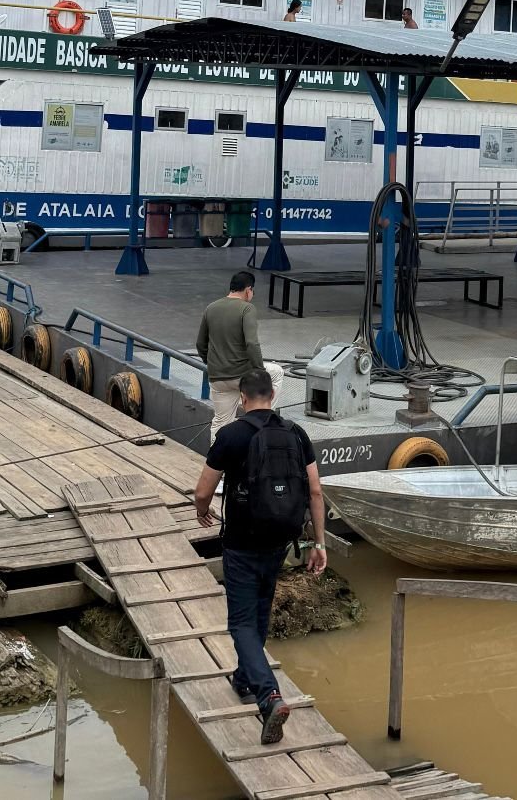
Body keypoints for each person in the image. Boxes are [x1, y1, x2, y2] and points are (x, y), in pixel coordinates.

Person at [194, 368, 327, 744]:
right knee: (260, 611)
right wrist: (319, 544)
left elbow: (203, 489)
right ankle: (245, 678)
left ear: (242, 398)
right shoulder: (296, 434)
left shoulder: (231, 435)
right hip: (280, 540)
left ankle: (268, 695)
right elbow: (315, 493)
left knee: (240, 623)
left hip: (240, 542)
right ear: (272, 396)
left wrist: (200, 510)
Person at [196, 271, 285, 438]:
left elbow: (200, 344)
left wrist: (213, 364)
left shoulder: (211, 308)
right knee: (276, 372)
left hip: (218, 377)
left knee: (221, 421)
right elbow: (252, 343)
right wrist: (260, 372)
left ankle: (217, 460)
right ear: (248, 289)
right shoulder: (247, 308)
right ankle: (263, 415)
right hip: (242, 374)